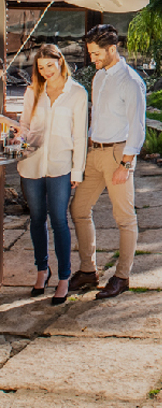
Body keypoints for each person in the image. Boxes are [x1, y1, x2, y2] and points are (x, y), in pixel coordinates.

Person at [69, 24, 146, 299]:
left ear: (112, 49)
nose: (92, 58)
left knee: (124, 218)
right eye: (90, 53)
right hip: (95, 153)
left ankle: (122, 276)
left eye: (96, 53)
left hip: (118, 155)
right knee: (78, 208)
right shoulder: (99, 77)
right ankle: (88, 271)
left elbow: (137, 127)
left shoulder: (131, 80)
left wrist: (126, 164)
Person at [17, 44, 88, 305]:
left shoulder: (77, 93)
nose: (46, 71)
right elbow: (24, 125)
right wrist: (19, 137)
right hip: (31, 164)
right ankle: (41, 270)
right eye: (41, 67)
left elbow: (80, 135)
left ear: (60, 61)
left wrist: (77, 170)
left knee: (59, 220)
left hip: (60, 166)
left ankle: (64, 277)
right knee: (37, 219)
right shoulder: (32, 92)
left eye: (50, 65)